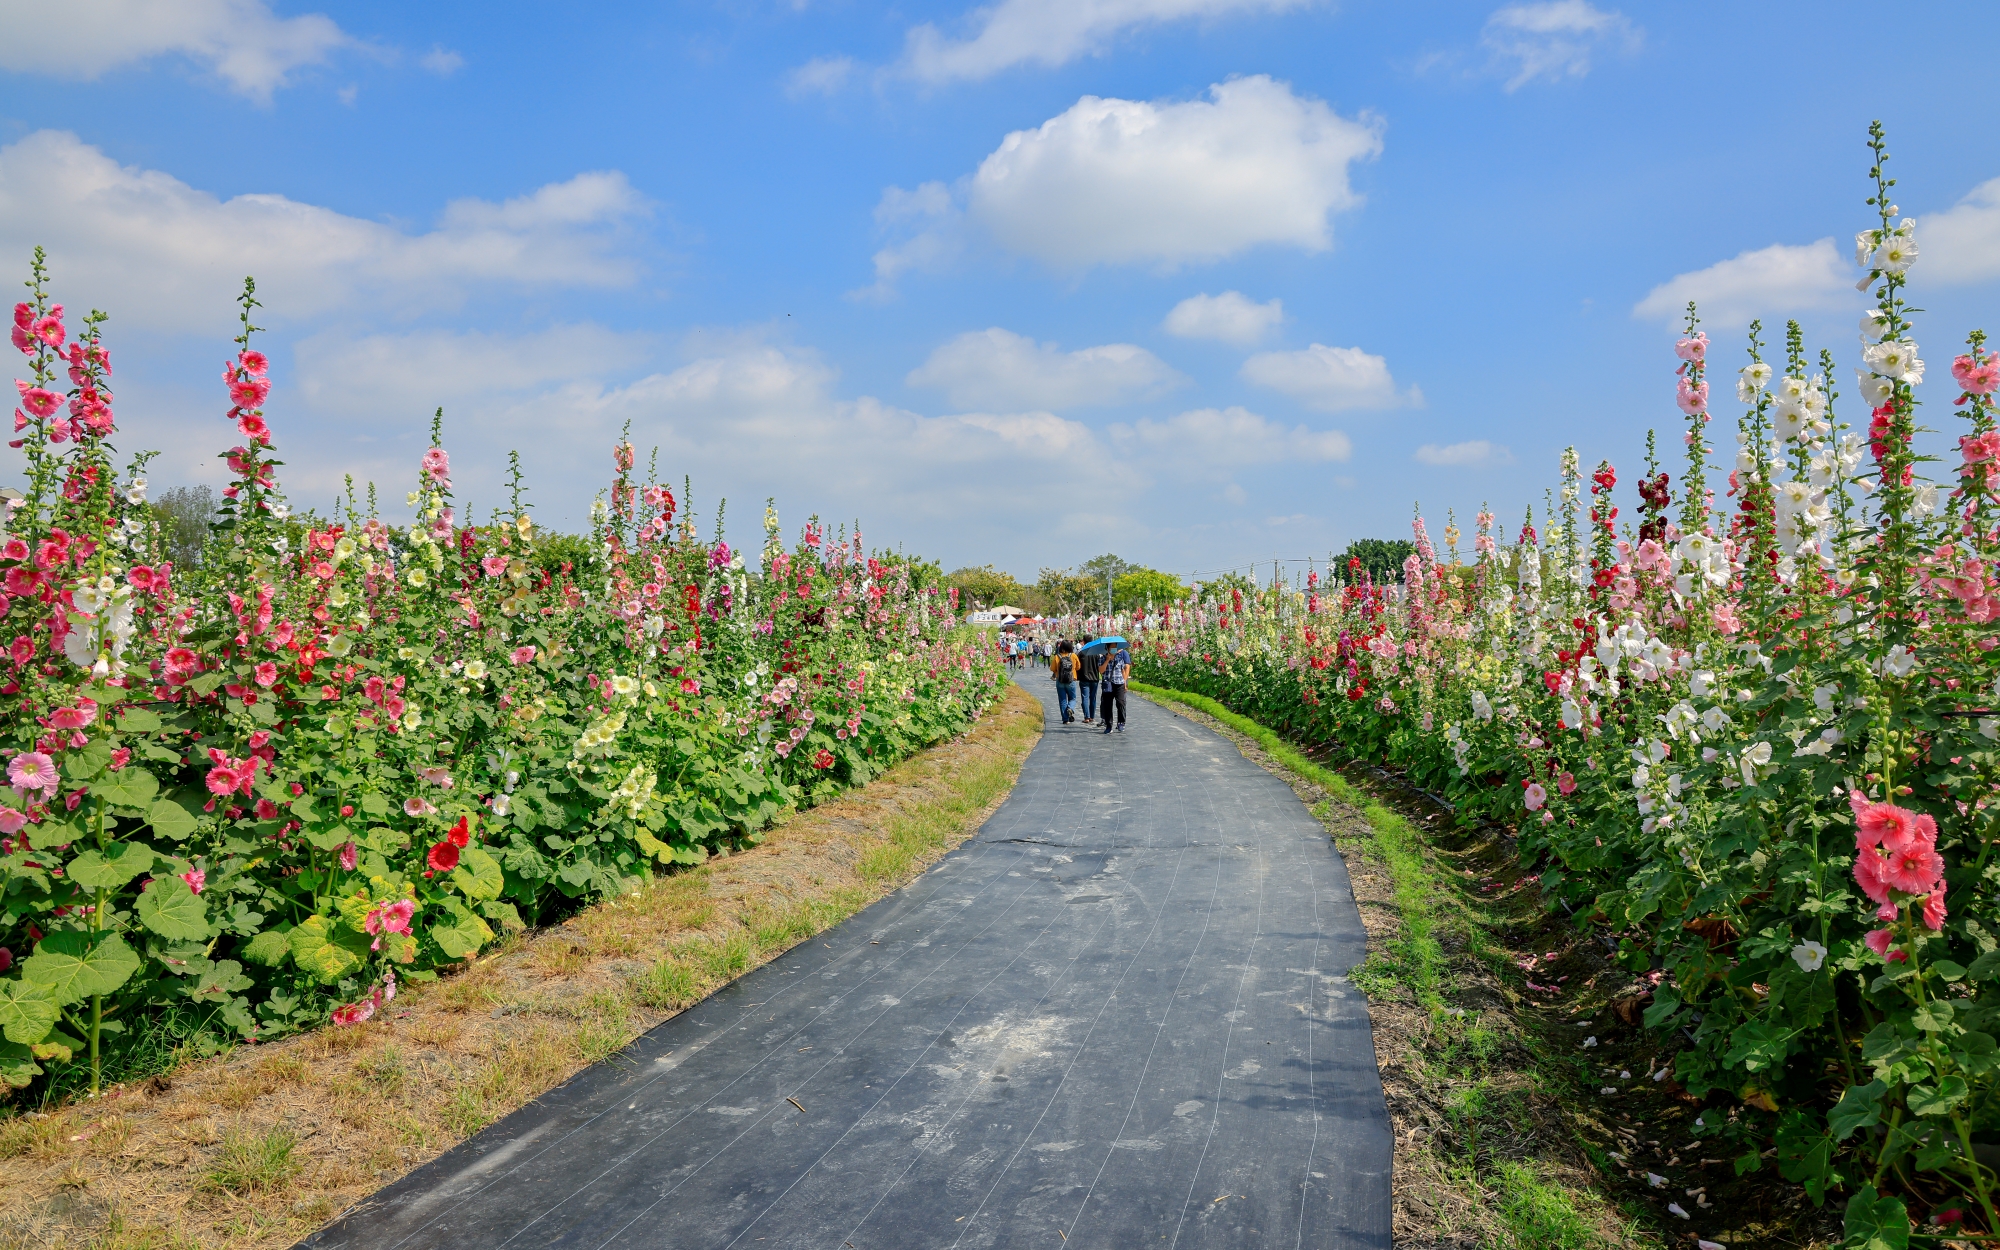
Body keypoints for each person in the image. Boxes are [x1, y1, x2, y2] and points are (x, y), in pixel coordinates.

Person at [1099, 639, 1130, 733]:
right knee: (1107, 705)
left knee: (1121, 703)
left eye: (1115, 647)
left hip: (1119, 683)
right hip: (1108, 683)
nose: (1113, 649)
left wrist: (1125, 683)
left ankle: (1121, 722)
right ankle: (1109, 725)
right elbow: (1101, 670)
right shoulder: (1102, 658)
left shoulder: (1120, 657)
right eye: (1111, 647)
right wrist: (1107, 660)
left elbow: (1123, 670)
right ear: (1107, 648)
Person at [1050, 639, 1079, 724]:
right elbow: (1078, 667)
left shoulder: (1057, 656)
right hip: (1071, 680)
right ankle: (1070, 708)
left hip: (1060, 681)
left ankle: (1065, 719)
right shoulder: (1073, 656)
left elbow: (1052, 668)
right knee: (1072, 698)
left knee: (1062, 700)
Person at [1077, 636, 1102, 725]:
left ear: (1083, 641)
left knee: (1085, 697)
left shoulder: (1081, 652)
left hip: (1084, 678)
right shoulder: (1097, 652)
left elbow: (1077, 664)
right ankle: (1092, 716)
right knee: (1093, 698)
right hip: (1095, 678)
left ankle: (1086, 717)